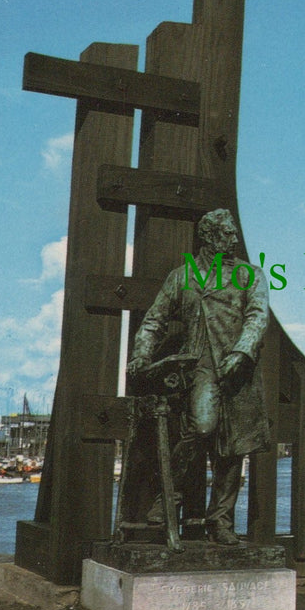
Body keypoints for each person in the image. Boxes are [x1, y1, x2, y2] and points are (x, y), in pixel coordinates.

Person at [127, 209, 270, 546]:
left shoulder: (251, 275)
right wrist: (141, 355)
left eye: (234, 233)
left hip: (238, 368)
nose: (234, 239)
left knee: (233, 448)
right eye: (226, 234)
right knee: (202, 428)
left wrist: (241, 352)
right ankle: (169, 500)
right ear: (208, 237)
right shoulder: (182, 277)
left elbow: (258, 317)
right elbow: (154, 320)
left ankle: (220, 521)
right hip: (201, 367)